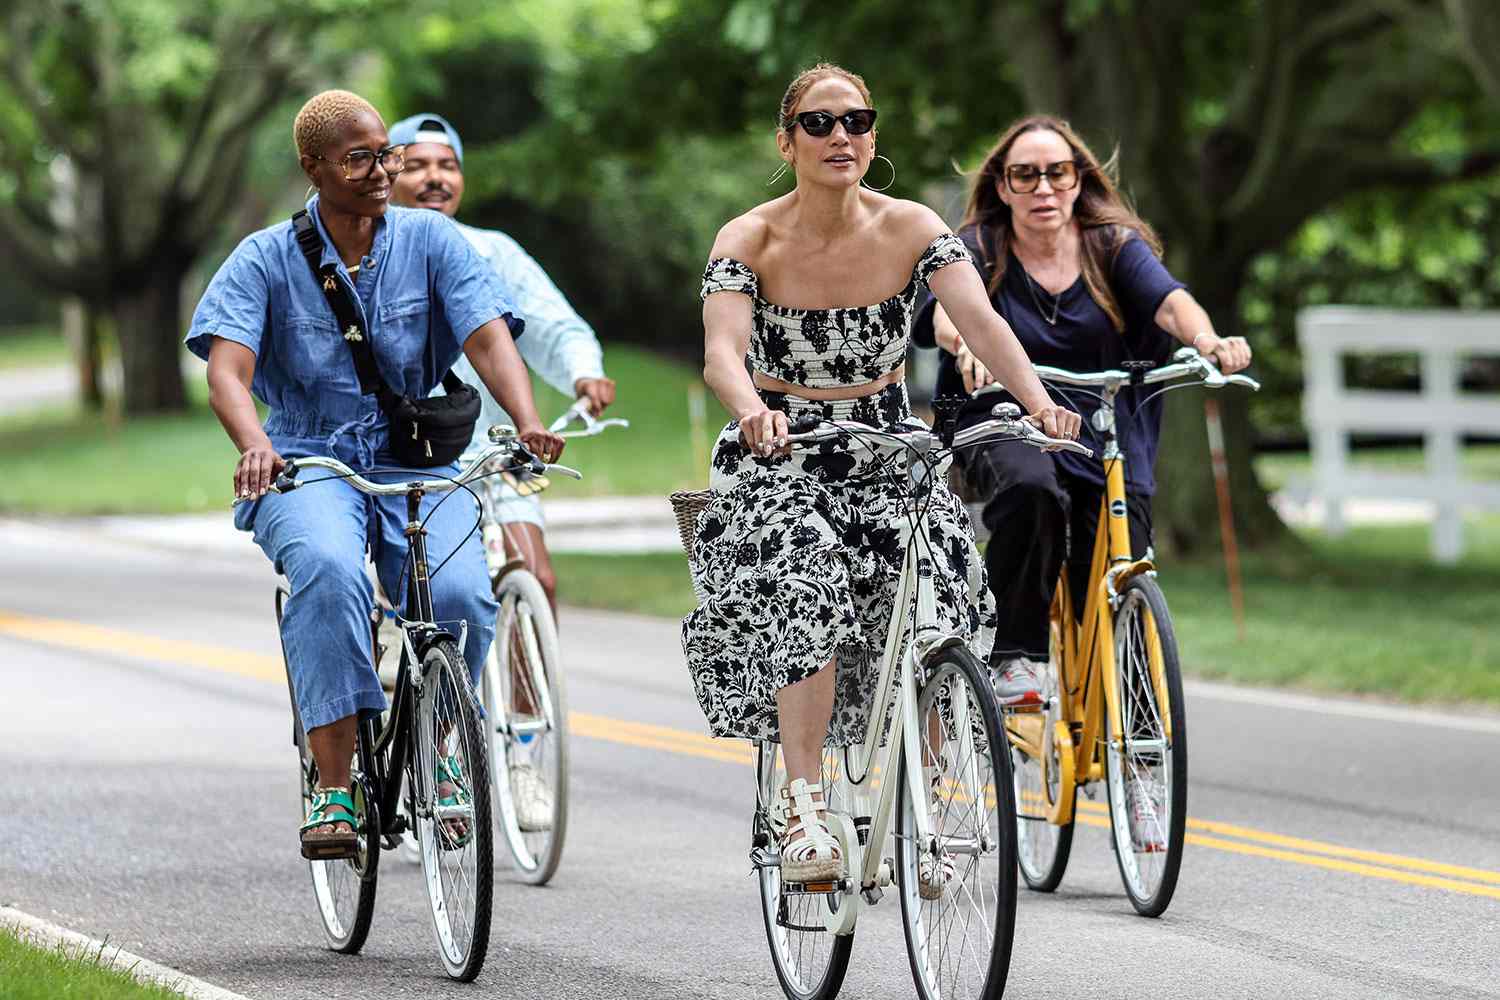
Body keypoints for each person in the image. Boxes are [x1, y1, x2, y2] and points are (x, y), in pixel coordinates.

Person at [683, 65, 1080, 889]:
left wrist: (1038, 403)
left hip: (888, 442)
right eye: (820, 124)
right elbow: (723, 351)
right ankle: (804, 804)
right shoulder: (747, 238)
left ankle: (928, 804)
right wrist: (751, 406)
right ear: (787, 139)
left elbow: (982, 322)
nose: (841, 138)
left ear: (874, 136)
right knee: (806, 591)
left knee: (939, 603)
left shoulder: (911, 227)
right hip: (780, 447)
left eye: (857, 122)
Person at [187, 89, 565, 859]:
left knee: (460, 590)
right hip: (307, 458)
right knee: (329, 573)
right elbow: (228, 370)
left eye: (383, 152)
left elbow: (490, 339)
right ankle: (333, 783)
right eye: (359, 157)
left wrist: (525, 417)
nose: (381, 170)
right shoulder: (263, 259)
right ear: (314, 166)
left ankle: (445, 748)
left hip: (417, 455)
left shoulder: (431, 241)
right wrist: (255, 442)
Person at [912, 115, 1252, 708]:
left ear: (1078, 181)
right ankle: (1018, 655)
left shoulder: (1112, 245)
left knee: (1122, 572)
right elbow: (948, 310)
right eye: (1025, 175)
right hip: (1006, 419)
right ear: (1002, 186)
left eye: (1057, 173)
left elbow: (1171, 304)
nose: (1043, 188)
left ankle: (1142, 750)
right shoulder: (977, 248)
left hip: (1105, 428)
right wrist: (965, 344)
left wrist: (1209, 342)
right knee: (1033, 491)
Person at [387, 111, 614, 832]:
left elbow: (549, 323)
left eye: (446, 165)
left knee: (532, 577)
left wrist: (583, 373)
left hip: (494, 449)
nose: (433, 178)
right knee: (416, 602)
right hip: (405, 455)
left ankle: (518, 752)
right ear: (387, 172)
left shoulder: (494, 252)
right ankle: (413, 720)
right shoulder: (374, 249)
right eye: (416, 164)